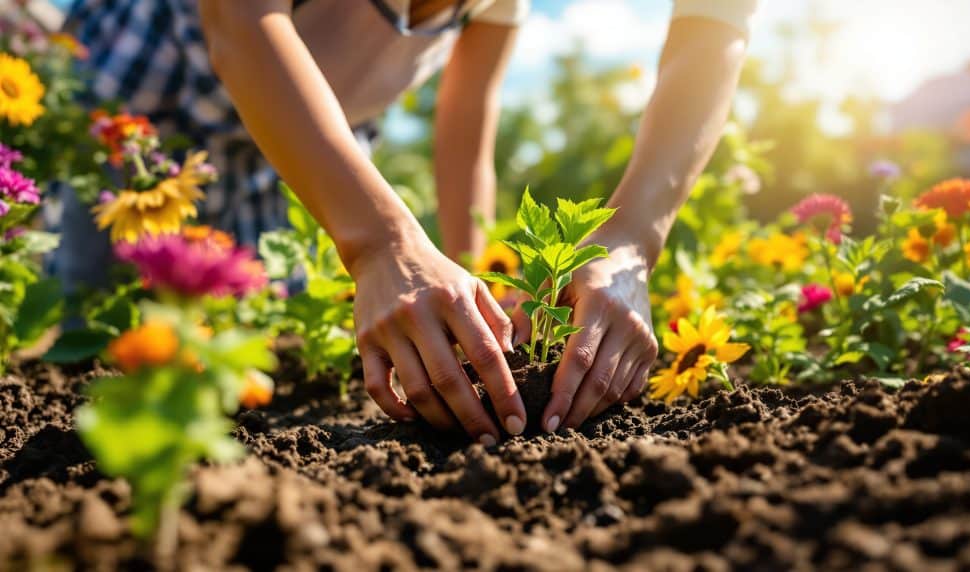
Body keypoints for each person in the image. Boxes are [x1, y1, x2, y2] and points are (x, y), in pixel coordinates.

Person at [59, 0, 756, 445]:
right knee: (100, 339)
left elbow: (466, 119)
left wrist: (486, 297)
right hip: (151, 107)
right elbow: (241, 22)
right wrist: (380, 243)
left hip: (309, 145)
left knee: (252, 347)